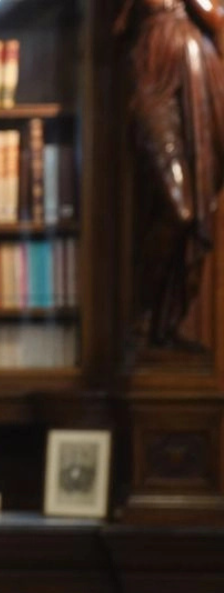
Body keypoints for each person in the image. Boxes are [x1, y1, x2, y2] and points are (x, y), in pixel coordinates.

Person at [114, 0, 224, 348]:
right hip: (152, 74)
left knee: (192, 209)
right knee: (179, 208)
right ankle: (140, 310)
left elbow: (216, 17)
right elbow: (115, 28)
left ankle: (166, 320)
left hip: (196, 74)